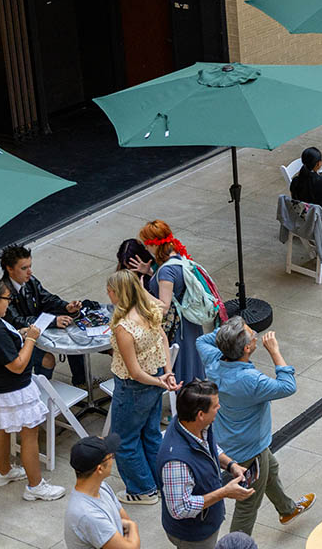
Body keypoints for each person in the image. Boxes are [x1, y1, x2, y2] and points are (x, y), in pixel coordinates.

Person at [197, 319, 315, 534]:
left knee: (272, 469)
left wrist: (227, 334)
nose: (256, 336)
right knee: (248, 503)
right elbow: (288, 386)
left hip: (232, 440)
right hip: (249, 450)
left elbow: (201, 340)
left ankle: (287, 509)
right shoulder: (251, 380)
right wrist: (275, 352)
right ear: (247, 348)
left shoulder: (213, 361)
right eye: (252, 336)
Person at [0, 276, 66, 501]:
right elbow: (17, 365)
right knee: (29, 435)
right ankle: (35, 486)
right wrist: (30, 339)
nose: (9, 303)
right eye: (7, 299)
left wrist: (17, 335)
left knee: (0, 429)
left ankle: (4, 472)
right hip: (13, 389)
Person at [106, 269, 180, 507]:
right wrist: (167, 373)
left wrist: (161, 381)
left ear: (116, 293)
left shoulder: (124, 327)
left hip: (133, 386)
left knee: (123, 440)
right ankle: (160, 482)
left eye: (109, 291)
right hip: (155, 378)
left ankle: (142, 490)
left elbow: (134, 371)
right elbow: (163, 341)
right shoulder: (150, 311)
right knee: (149, 434)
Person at [158, 379, 255, 549]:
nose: (219, 408)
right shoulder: (176, 462)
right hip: (193, 535)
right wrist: (224, 492)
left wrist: (231, 465)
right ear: (200, 415)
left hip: (206, 520)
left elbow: (209, 446)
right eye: (216, 406)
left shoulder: (192, 424)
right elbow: (180, 508)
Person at [0, 244, 87, 386]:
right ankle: (40, 393)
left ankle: (81, 381)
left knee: (73, 338)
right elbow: (17, 321)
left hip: (36, 329)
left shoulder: (30, 281)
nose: (29, 272)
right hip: (17, 339)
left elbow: (47, 299)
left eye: (30, 266)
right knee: (47, 360)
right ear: (9, 269)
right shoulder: (3, 292)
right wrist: (53, 321)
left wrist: (66, 306)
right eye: (24, 268)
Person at [138, 219, 207, 383]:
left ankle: (184, 399)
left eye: (146, 244)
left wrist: (141, 291)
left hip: (178, 329)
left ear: (154, 244)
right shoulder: (178, 257)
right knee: (193, 362)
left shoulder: (166, 272)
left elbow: (164, 307)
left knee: (181, 367)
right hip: (190, 323)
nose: (146, 248)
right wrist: (150, 272)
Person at [64, 434, 140, 549]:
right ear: (100, 469)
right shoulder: (88, 515)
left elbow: (123, 518)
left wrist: (126, 525)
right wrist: (133, 526)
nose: (113, 460)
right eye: (111, 456)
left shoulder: (102, 487)